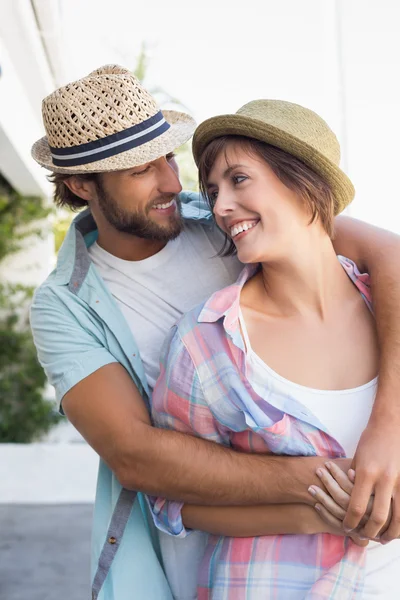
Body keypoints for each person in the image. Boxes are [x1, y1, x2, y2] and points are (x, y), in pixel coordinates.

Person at [29, 65, 400, 600]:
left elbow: (380, 251)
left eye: (169, 158)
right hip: (213, 550)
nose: (171, 184)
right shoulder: (67, 305)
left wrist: (387, 431)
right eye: (140, 171)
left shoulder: (222, 215)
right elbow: (136, 455)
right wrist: (332, 489)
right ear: (82, 185)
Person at [149, 99, 400, 599]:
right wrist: (317, 514)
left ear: (307, 183)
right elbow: (172, 500)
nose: (219, 207)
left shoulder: (388, 312)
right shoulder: (207, 344)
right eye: (214, 190)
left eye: (239, 180)